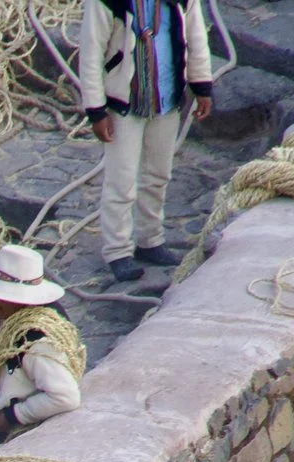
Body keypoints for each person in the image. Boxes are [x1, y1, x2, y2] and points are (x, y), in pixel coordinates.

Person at [78, 0, 216, 286]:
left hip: (166, 98)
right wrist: (96, 109)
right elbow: (91, 54)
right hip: (123, 104)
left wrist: (201, 84)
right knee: (122, 180)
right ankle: (117, 251)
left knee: (158, 175)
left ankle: (150, 240)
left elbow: (196, 36)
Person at [0, 244, 84, 456]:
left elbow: (65, 396)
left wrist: (12, 416)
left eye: (0, 296)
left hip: (12, 437)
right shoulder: (11, 318)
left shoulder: (36, 340)